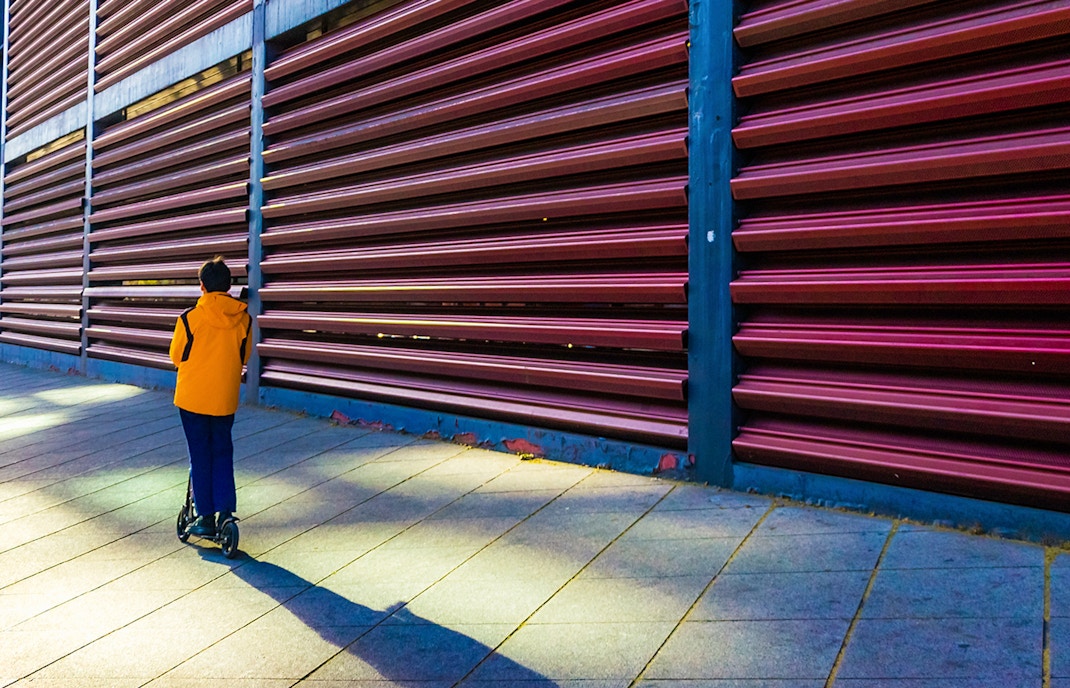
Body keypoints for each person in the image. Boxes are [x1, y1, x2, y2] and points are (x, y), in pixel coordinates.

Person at [169, 257, 252, 536]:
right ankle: (226, 511)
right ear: (229, 286)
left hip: (193, 399)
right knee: (222, 452)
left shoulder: (189, 319)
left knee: (200, 454)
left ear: (201, 286)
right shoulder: (244, 319)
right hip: (224, 399)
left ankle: (204, 515)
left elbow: (176, 356)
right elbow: (245, 356)